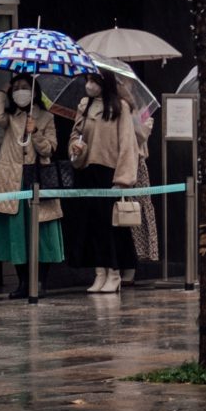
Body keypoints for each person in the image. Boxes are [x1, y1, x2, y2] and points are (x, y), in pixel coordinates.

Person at [0, 76, 64, 290]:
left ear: (34, 92)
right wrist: (2, 90)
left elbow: (50, 149)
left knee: (42, 232)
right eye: (16, 88)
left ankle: (40, 282)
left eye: (25, 88)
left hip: (38, 180)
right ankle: (22, 282)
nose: (20, 92)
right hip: (13, 180)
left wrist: (34, 132)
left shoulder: (46, 117)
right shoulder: (10, 117)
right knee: (17, 234)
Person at [65, 69, 141, 293]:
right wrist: (75, 148)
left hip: (110, 172)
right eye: (87, 80)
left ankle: (114, 272)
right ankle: (100, 272)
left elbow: (128, 143)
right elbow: (75, 135)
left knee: (111, 226)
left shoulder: (120, 107)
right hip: (88, 170)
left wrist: (124, 179)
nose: (89, 85)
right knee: (93, 224)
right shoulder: (84, 105)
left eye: (94, 81)